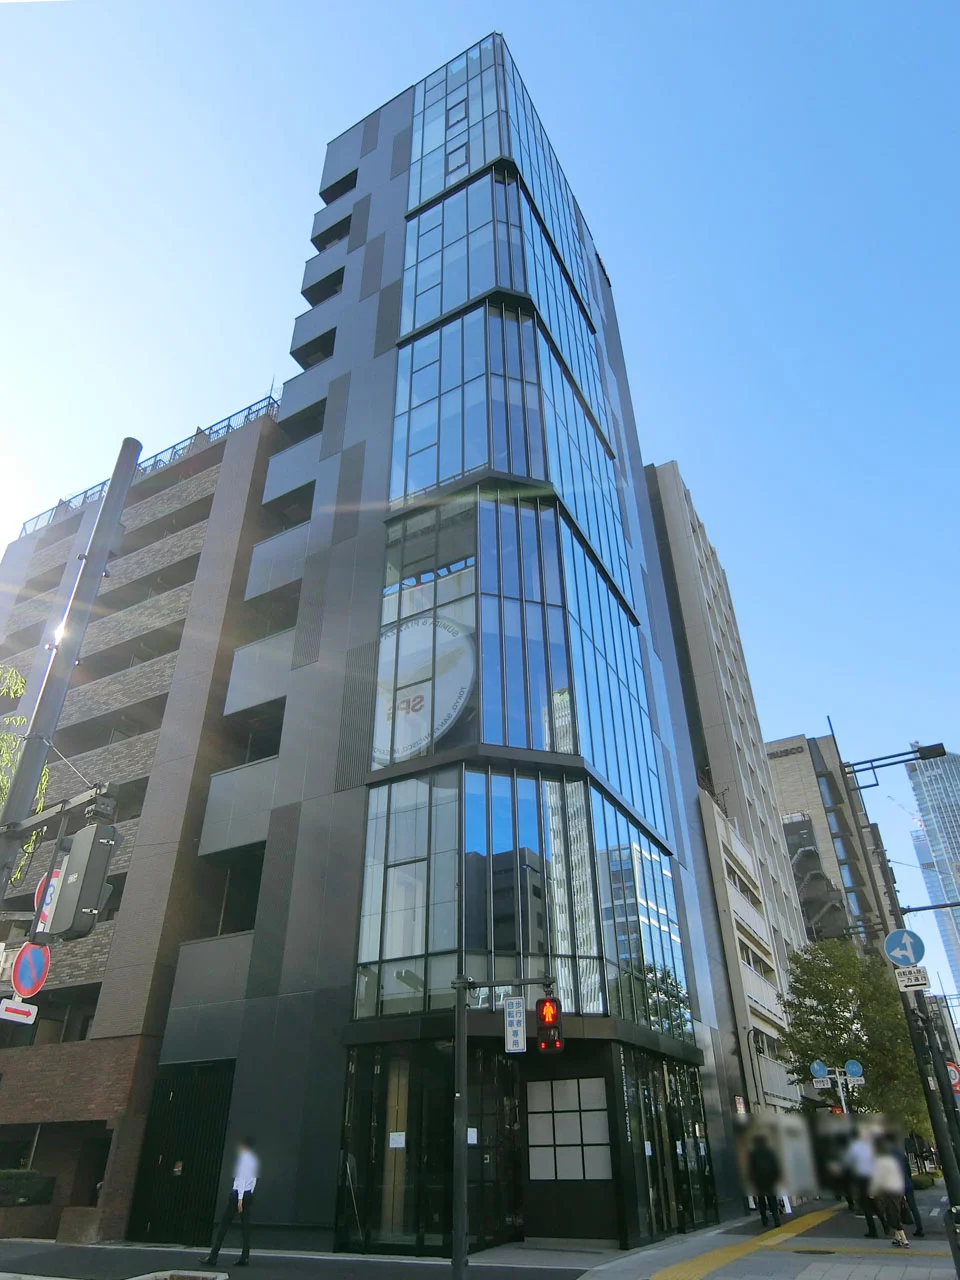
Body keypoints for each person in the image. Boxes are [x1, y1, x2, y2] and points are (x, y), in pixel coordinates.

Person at [202, 1137, 259, 1268]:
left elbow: (242, 1179)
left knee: (224, 1225)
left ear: (244, 1146)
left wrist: (240, 1199)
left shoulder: (243, 1159)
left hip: (238, 1196)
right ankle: (245, 1256)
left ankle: (213, 1256)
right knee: (246, 1227)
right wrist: (250, 1193)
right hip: (248, 1194)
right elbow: (254, 1179)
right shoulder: (253, 1160)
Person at [870, 1134, 909, 1249]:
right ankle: (897, 1238)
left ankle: (904, 1239)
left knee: (892, 1214)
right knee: (895, 1212)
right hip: (898, 1190)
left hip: (889, 1191)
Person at [845, 1127, 880, 1238]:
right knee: (874, 1203)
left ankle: (873, 1230)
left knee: (866, 1206)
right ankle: (885, 1225)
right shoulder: (869, 1147)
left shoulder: (854, 1148)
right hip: (871, 1178)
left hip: (861, 1180)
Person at [748, 1133, 782, 1228]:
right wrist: (776, 1177)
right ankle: (776, 1218)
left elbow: (751, 1168)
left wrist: (752, 1179)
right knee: (772, 1199)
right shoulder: (769, 1152)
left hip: (759, 1181)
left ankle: (764, 1219)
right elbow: (774, 1165)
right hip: (769, 1179)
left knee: (761, 1201)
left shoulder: (754, 1154)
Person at [893, 1140, 925, 1238]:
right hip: (907, 1183)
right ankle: (919, 1227)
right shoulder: (901, 1154)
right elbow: (908, 1170)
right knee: (913, 1206)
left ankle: (898, 1232)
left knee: (895, 1208)